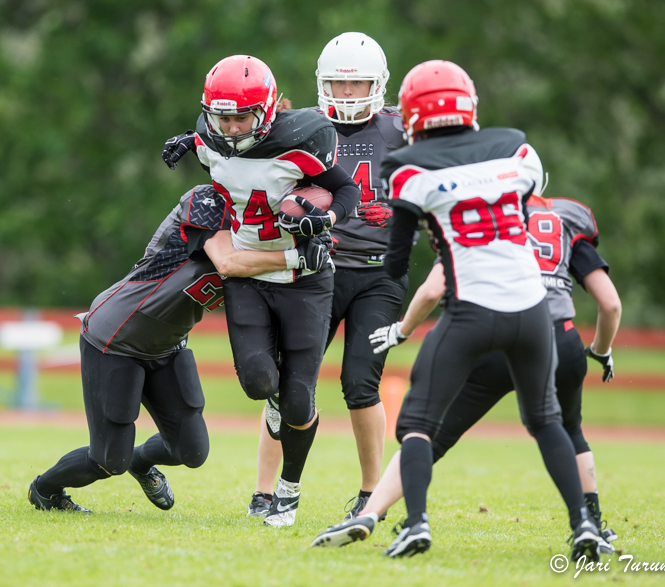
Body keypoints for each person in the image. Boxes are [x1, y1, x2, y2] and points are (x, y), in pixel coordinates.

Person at [307, 59, 608, 560]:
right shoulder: (518, 149)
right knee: (547, 421)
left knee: (418, 424)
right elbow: (525, 202)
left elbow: (397, 261)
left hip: (470, 309)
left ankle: (416, 523)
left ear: (411, 112)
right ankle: (584, 526)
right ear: (468, 103)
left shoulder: (408, 169)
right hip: (533, 309)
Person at [311, 193, 622, 552]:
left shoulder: (478, 217)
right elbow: (610, 303)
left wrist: (402, 330)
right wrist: (600, 350)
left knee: (426, 432)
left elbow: (432, 289)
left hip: (487, 334)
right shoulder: (565, 219)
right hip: (554, 336)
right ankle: (588, 522)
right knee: (565, 429)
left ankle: (377, 513)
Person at [27, 184, 332, 514]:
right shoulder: (210, 201)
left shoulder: (272, 239)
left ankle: (140, 463)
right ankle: (45, 489)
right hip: (116, 337)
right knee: (108, 460)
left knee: (191, 451)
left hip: (168, 346)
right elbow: (228, 262)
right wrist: (295, 258)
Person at [162, 54, 361, 527]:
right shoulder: (209, 137)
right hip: (248, 276)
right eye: (221, 117)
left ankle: (288, 491)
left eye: (240, 117)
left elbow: (347, 191)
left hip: (305, 279)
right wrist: (191, 140)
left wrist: (325, 218)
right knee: (258, 383)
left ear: (268, 110)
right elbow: (220, 147)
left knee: (298, 400)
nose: (229, 128)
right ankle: (275, 409)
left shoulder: (301, 140)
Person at [245, 33, 409, 522]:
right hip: (318, 269)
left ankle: (369, 493)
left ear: (378, 84)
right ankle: (264, 491)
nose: (348, 93)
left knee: (361, 381)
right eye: (339, 83)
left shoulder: (404, 130)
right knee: (287, 381)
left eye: (357, 83)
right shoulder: (307, 128)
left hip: (380, 274)